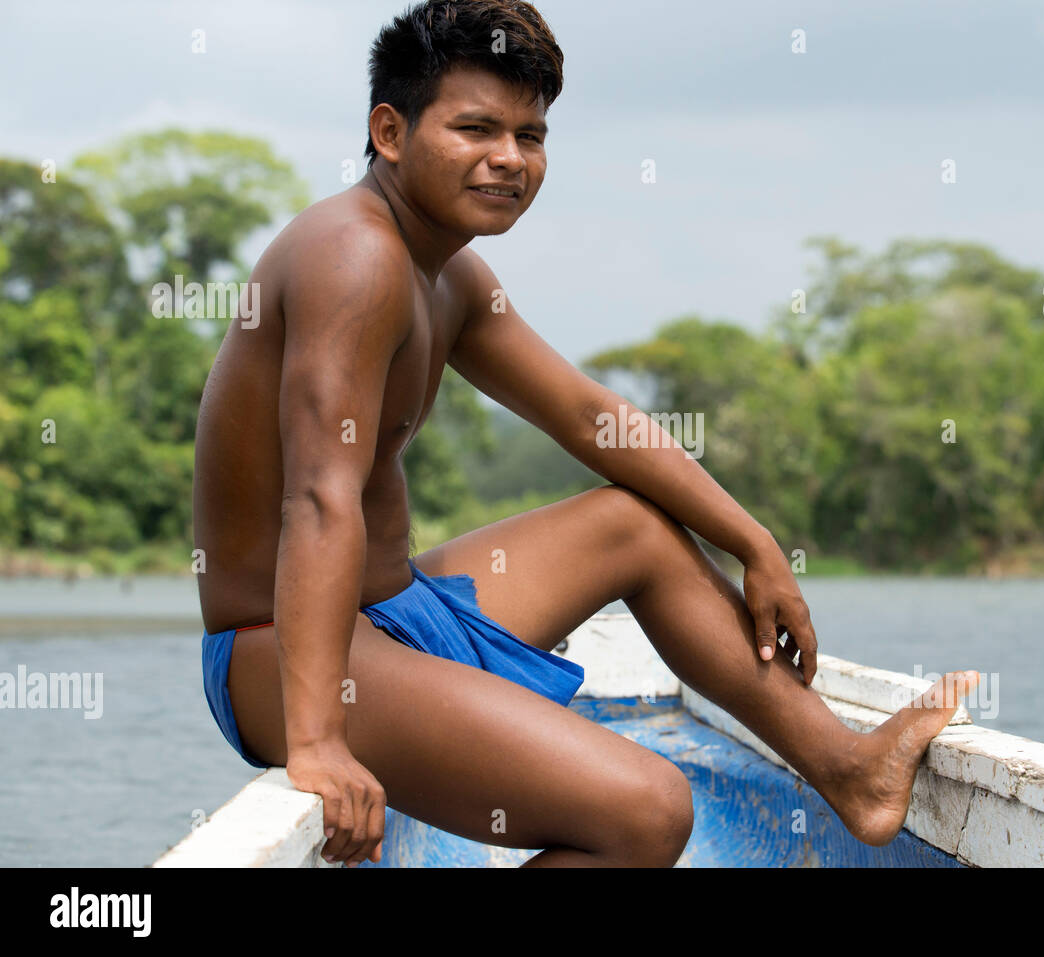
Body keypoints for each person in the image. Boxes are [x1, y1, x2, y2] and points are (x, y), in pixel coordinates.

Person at [193, 0, 978, 868]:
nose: (508, 159)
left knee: (633, 525)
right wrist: (318, 741)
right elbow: (316, 496)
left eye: (530, 136)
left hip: (396, 609)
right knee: (648, 810)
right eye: (476, 128)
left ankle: (852, 772)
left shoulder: (447, 273)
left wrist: (755, 542)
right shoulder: (355, 257)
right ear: (390, 130)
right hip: (282, 649)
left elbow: (586, 413)